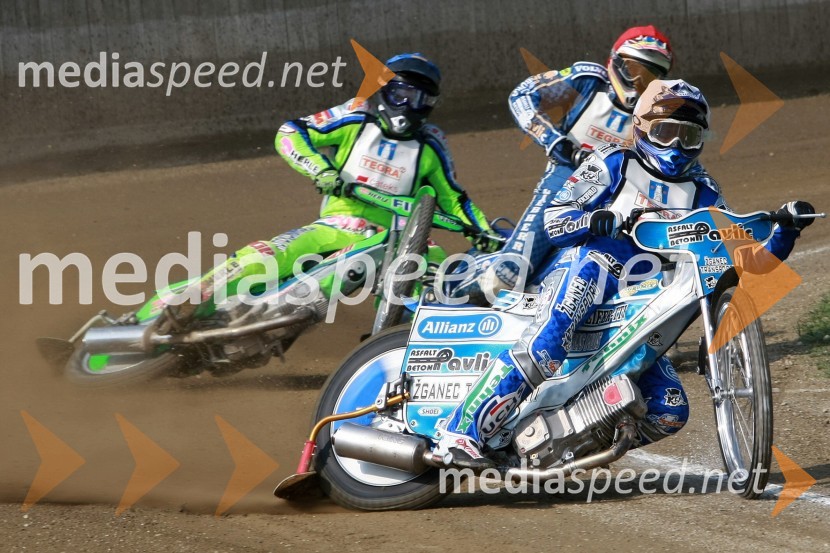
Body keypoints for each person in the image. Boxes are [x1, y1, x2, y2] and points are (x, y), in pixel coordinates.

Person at [437, 79, 816, 468]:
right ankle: (460, 432)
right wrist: (599, 219)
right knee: (547, 347)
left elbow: (745, 265)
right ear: (641, 128)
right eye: (666, 132)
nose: (676, 146)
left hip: (649, 302)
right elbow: (555, 220)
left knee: (669, 411)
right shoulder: (613, 161)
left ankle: (559, 446)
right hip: (590, 267)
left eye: (689, 136)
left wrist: (785, 231)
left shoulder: (705, 192)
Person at [166, 53, 498, 326]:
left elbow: (455, 198)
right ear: (384, 90)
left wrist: (483, 235)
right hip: (339, 225)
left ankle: (436, 344)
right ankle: (193, 299)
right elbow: (292, 132)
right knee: (265, 256)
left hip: (404, 235)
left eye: (421, 99)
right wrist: (320, 169)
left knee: (449, 279)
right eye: (402, 94)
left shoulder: (432, 143)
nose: (410, 105)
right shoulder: (355, 114)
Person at [453, 25, 675, 302]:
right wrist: (557, 143)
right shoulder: (588, 79)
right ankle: (448, 290)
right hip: (566, 182)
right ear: (615, 62)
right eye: (634, 69)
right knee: (510, 274)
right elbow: (522, 96)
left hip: (619, 198)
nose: (640, 82)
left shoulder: (662, 112)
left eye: (651, 76)